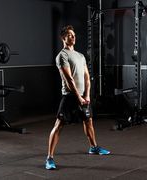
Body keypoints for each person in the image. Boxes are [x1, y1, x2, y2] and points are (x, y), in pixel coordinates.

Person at [45, 25, 110, 170]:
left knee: (89, 122)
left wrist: (86, 95)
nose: (73, 37)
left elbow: (87, 77)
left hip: (83, 96)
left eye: (74, 35)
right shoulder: (62, 56)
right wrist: (78, 98)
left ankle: (93, 147)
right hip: (69, 96)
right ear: (63, 38)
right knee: (58, 126)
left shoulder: (80, 56)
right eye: (70, 35)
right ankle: (49, 158)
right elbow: (69, 79)